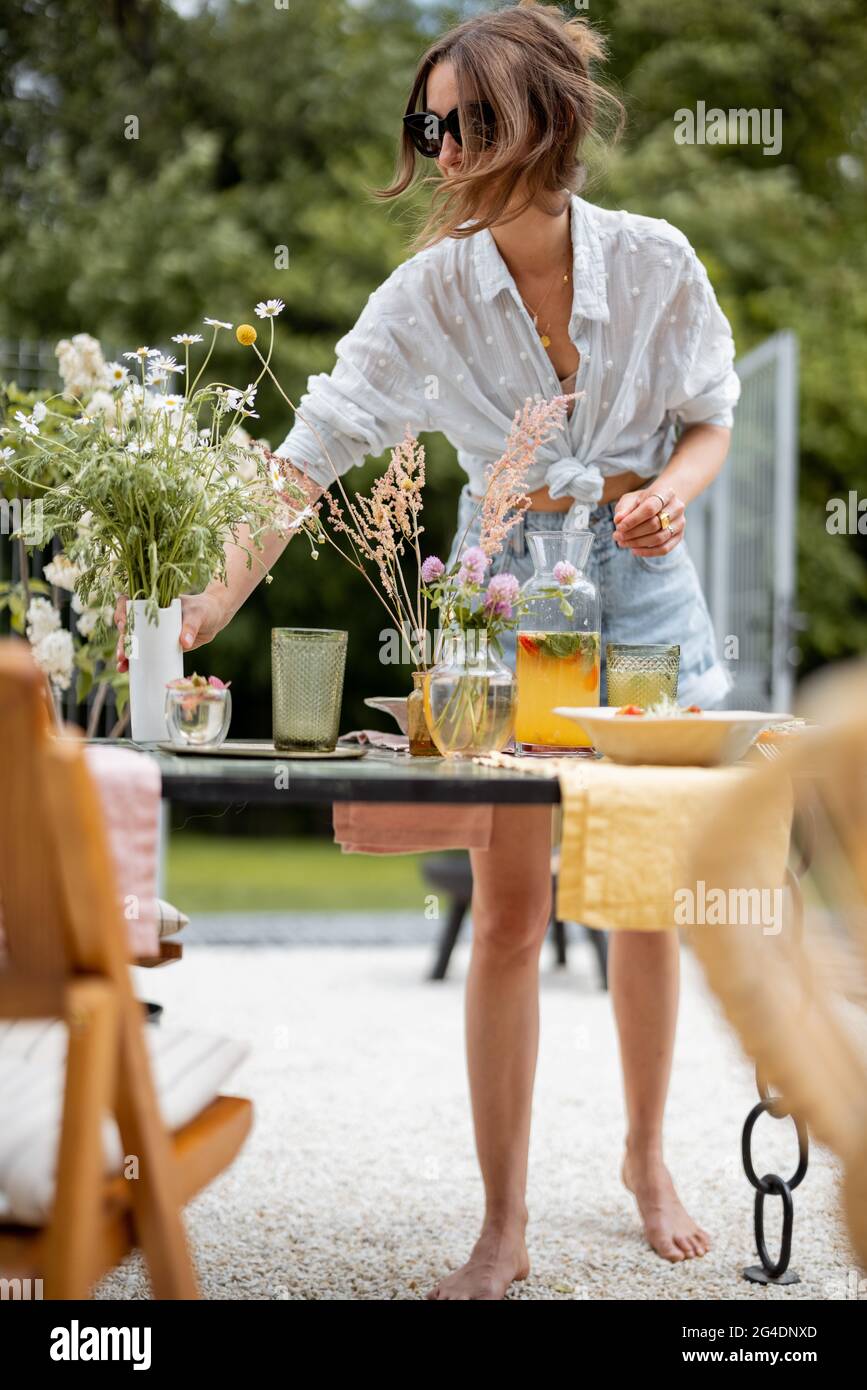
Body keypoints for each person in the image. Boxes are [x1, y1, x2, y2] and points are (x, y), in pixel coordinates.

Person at [117, 2, 739, 1298]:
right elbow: (310, 453)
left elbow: (710, 417)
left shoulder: (660, 260)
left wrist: (676, 486)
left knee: (641, 902)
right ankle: (503, 1224)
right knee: (509, 909)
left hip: (644, 588)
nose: (440, 147)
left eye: (463, 122)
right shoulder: (428, 298)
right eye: (426, 124)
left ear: (538, 124)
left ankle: (644, 1158)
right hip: (504, 590)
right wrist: (202, 601)